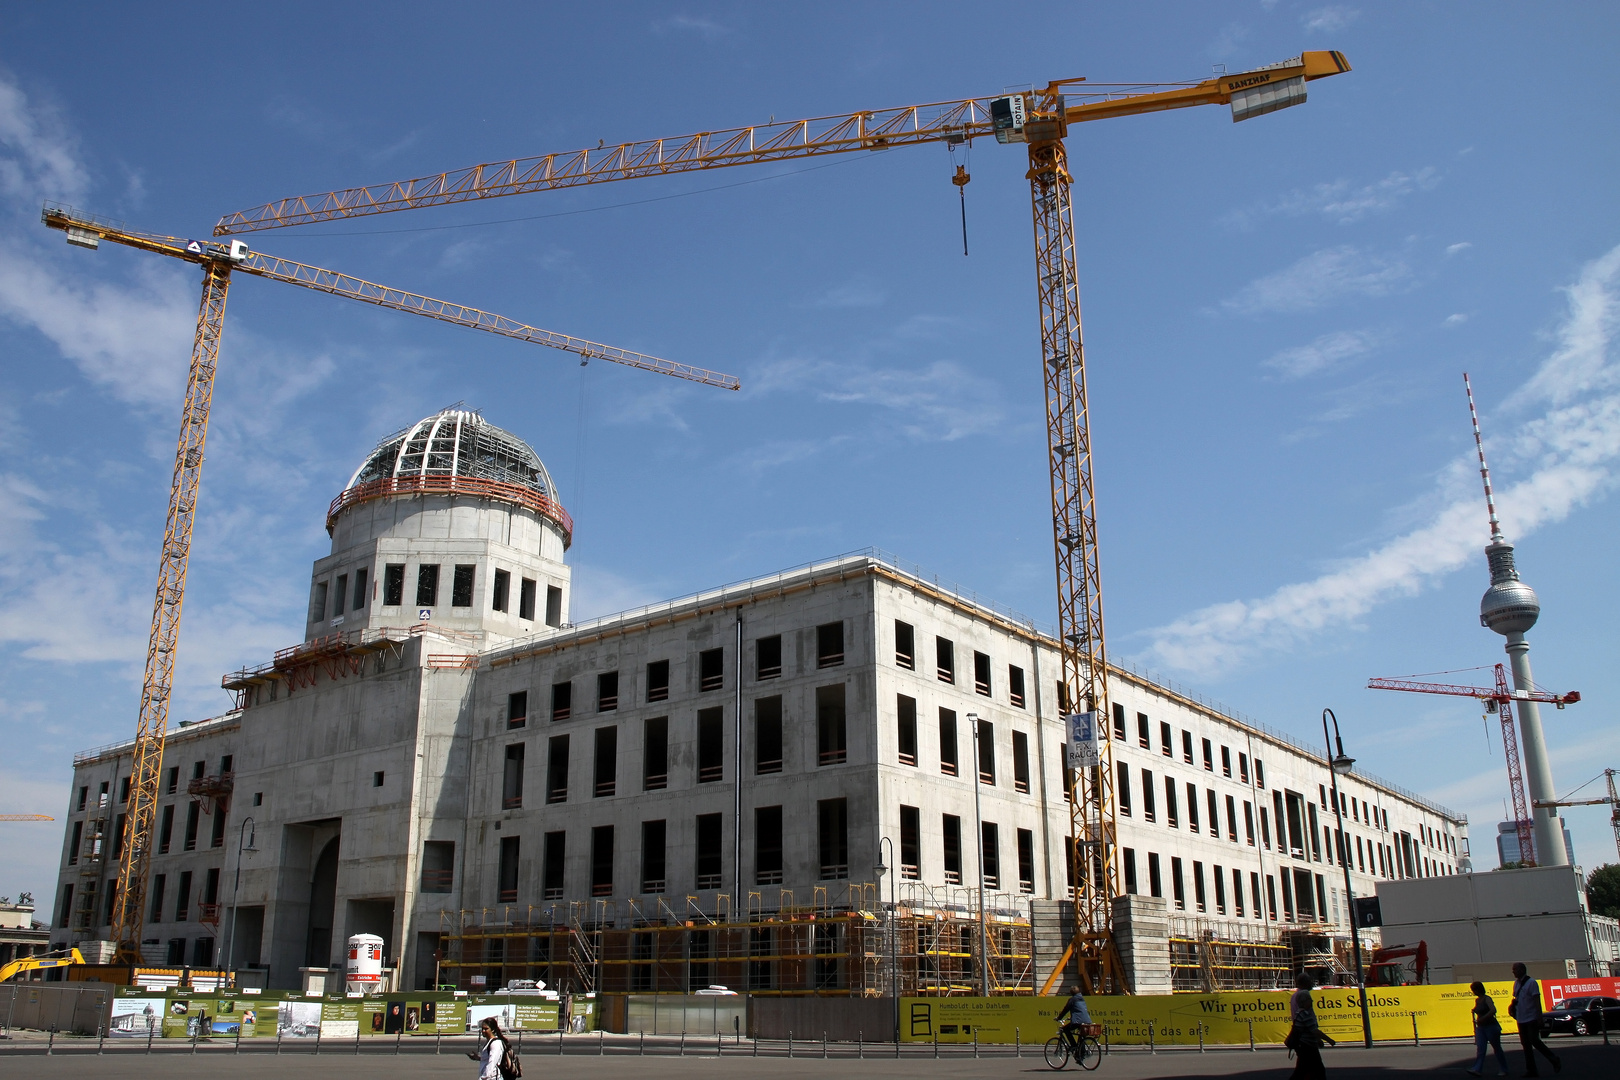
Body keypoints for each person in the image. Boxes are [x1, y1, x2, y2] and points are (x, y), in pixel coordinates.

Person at [1508, 963, 1561, 1077]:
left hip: (1531, 1017)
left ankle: (1553, 1059)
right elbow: (1516, 998)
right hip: (1521, 1018)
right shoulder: (1516, 984)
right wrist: (1513, 1007)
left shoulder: (1531, 983)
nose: (1513, 972)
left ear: (1522, 970)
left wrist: (1539, 1017)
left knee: (1534, 1040)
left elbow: (1537, 1001)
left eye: (1515, 969)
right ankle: (1531, 1069)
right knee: (1525, 1044)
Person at [1287, 973, 1335, 1080]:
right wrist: (1324, 1039)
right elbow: (1311, 1028)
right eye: (1309, 981)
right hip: (1306, 1042)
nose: (1312, 983)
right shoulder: (1302, 1001)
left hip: (1303, 1041)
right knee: (1316, 1070)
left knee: (1303, 1070)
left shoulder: (1297, 996)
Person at [1468, 981, 1510, 1076]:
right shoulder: (1477, 1000)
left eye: (1474, 990)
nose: (1473, 992)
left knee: (1497, 1048)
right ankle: (1477, 1068)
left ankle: (1504, 1069)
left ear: (1478, 989)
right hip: (1481, 1027)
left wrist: (1483, 1018)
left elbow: (1493, 1010)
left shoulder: (1487, 999)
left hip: (1491, 1026)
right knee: (1481, 1048)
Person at [1055, 988, 1092, 1062]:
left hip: (1078, 1021)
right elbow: (1080, 1011)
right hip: (1087, 1020)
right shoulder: (1082, 999)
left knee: (1065, 1029)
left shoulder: (1072, 1000)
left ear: (1072, 993)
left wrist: (1059, 1018)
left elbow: (1066, 1009)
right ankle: (1080, 1056)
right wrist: (1072, 1017)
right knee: (1081, 1037)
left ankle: (1073, 1046)